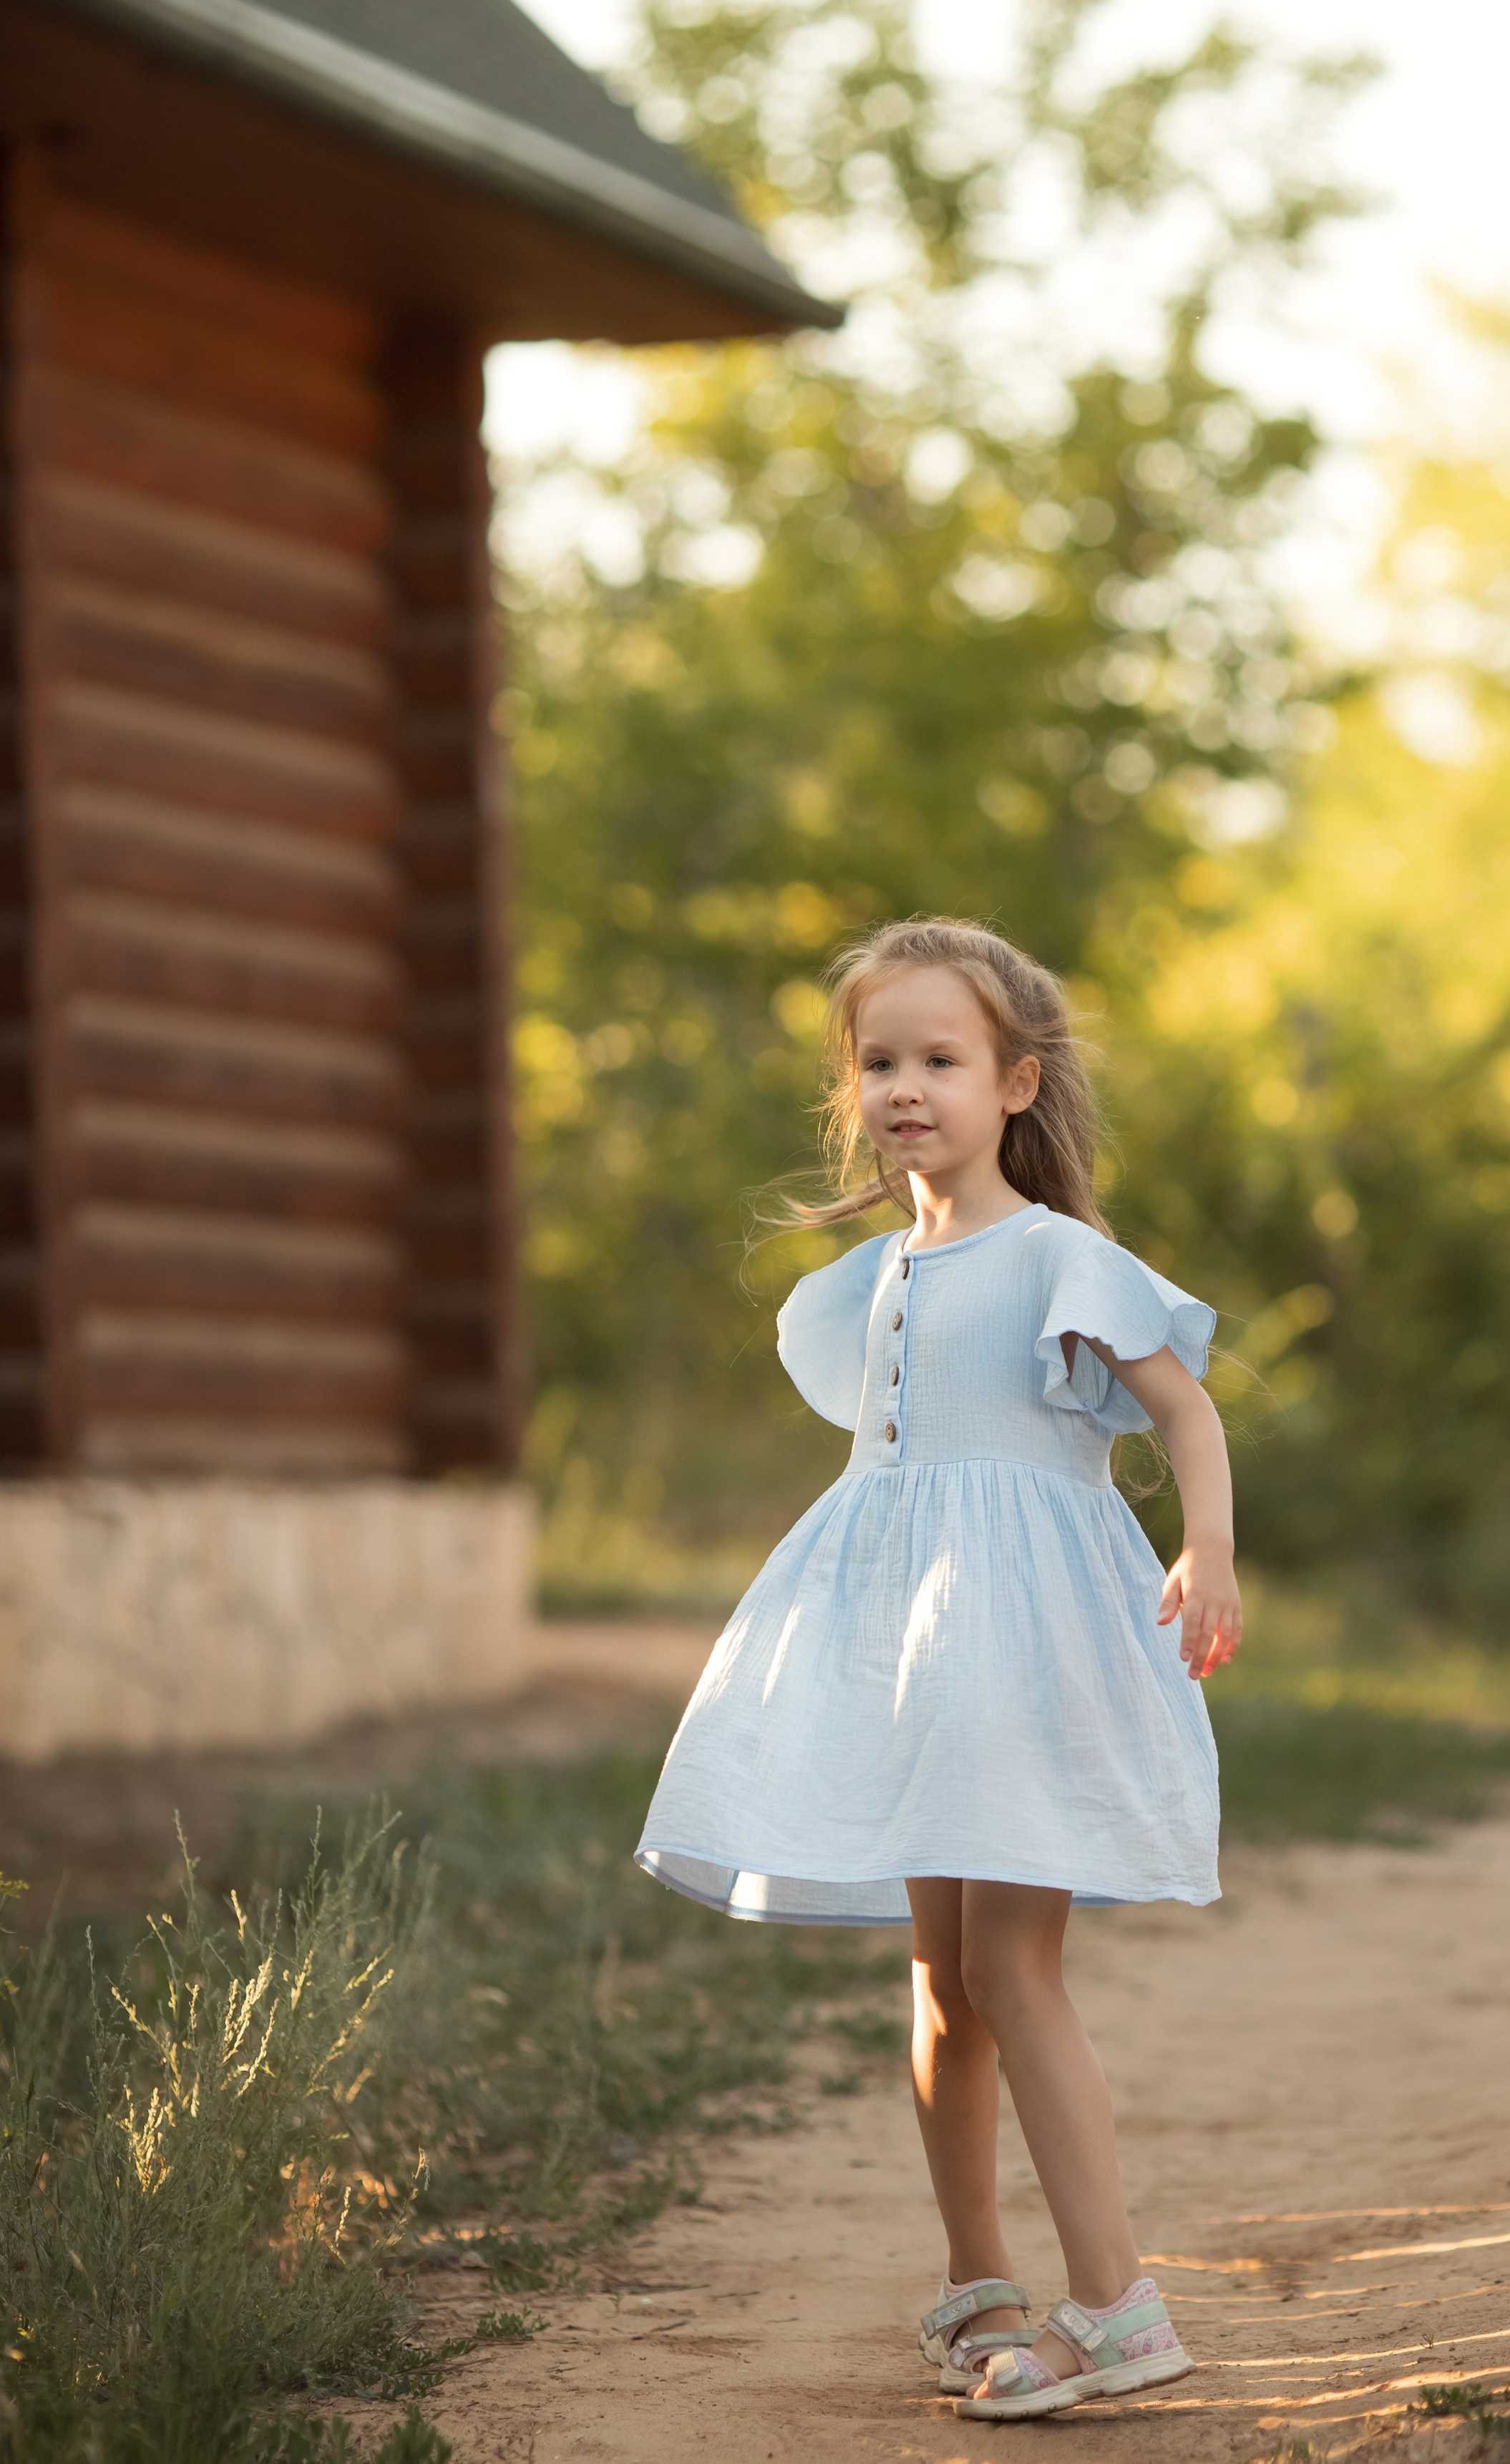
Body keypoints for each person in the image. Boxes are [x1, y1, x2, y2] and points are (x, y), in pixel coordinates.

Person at [636, 917, 1240, 2421]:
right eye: (879, 1060)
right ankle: (978, 2274)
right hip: (908, 1643)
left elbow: (1184, 1412)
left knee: (1008, 1966)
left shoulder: (1055, 1255)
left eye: (941, 1059)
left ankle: (1115, 2304)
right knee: (938, 1971)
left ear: (1014, 1083)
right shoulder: (883, 1273)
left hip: (1021, 1639)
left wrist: (1207, 1551)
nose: (907, 1085)